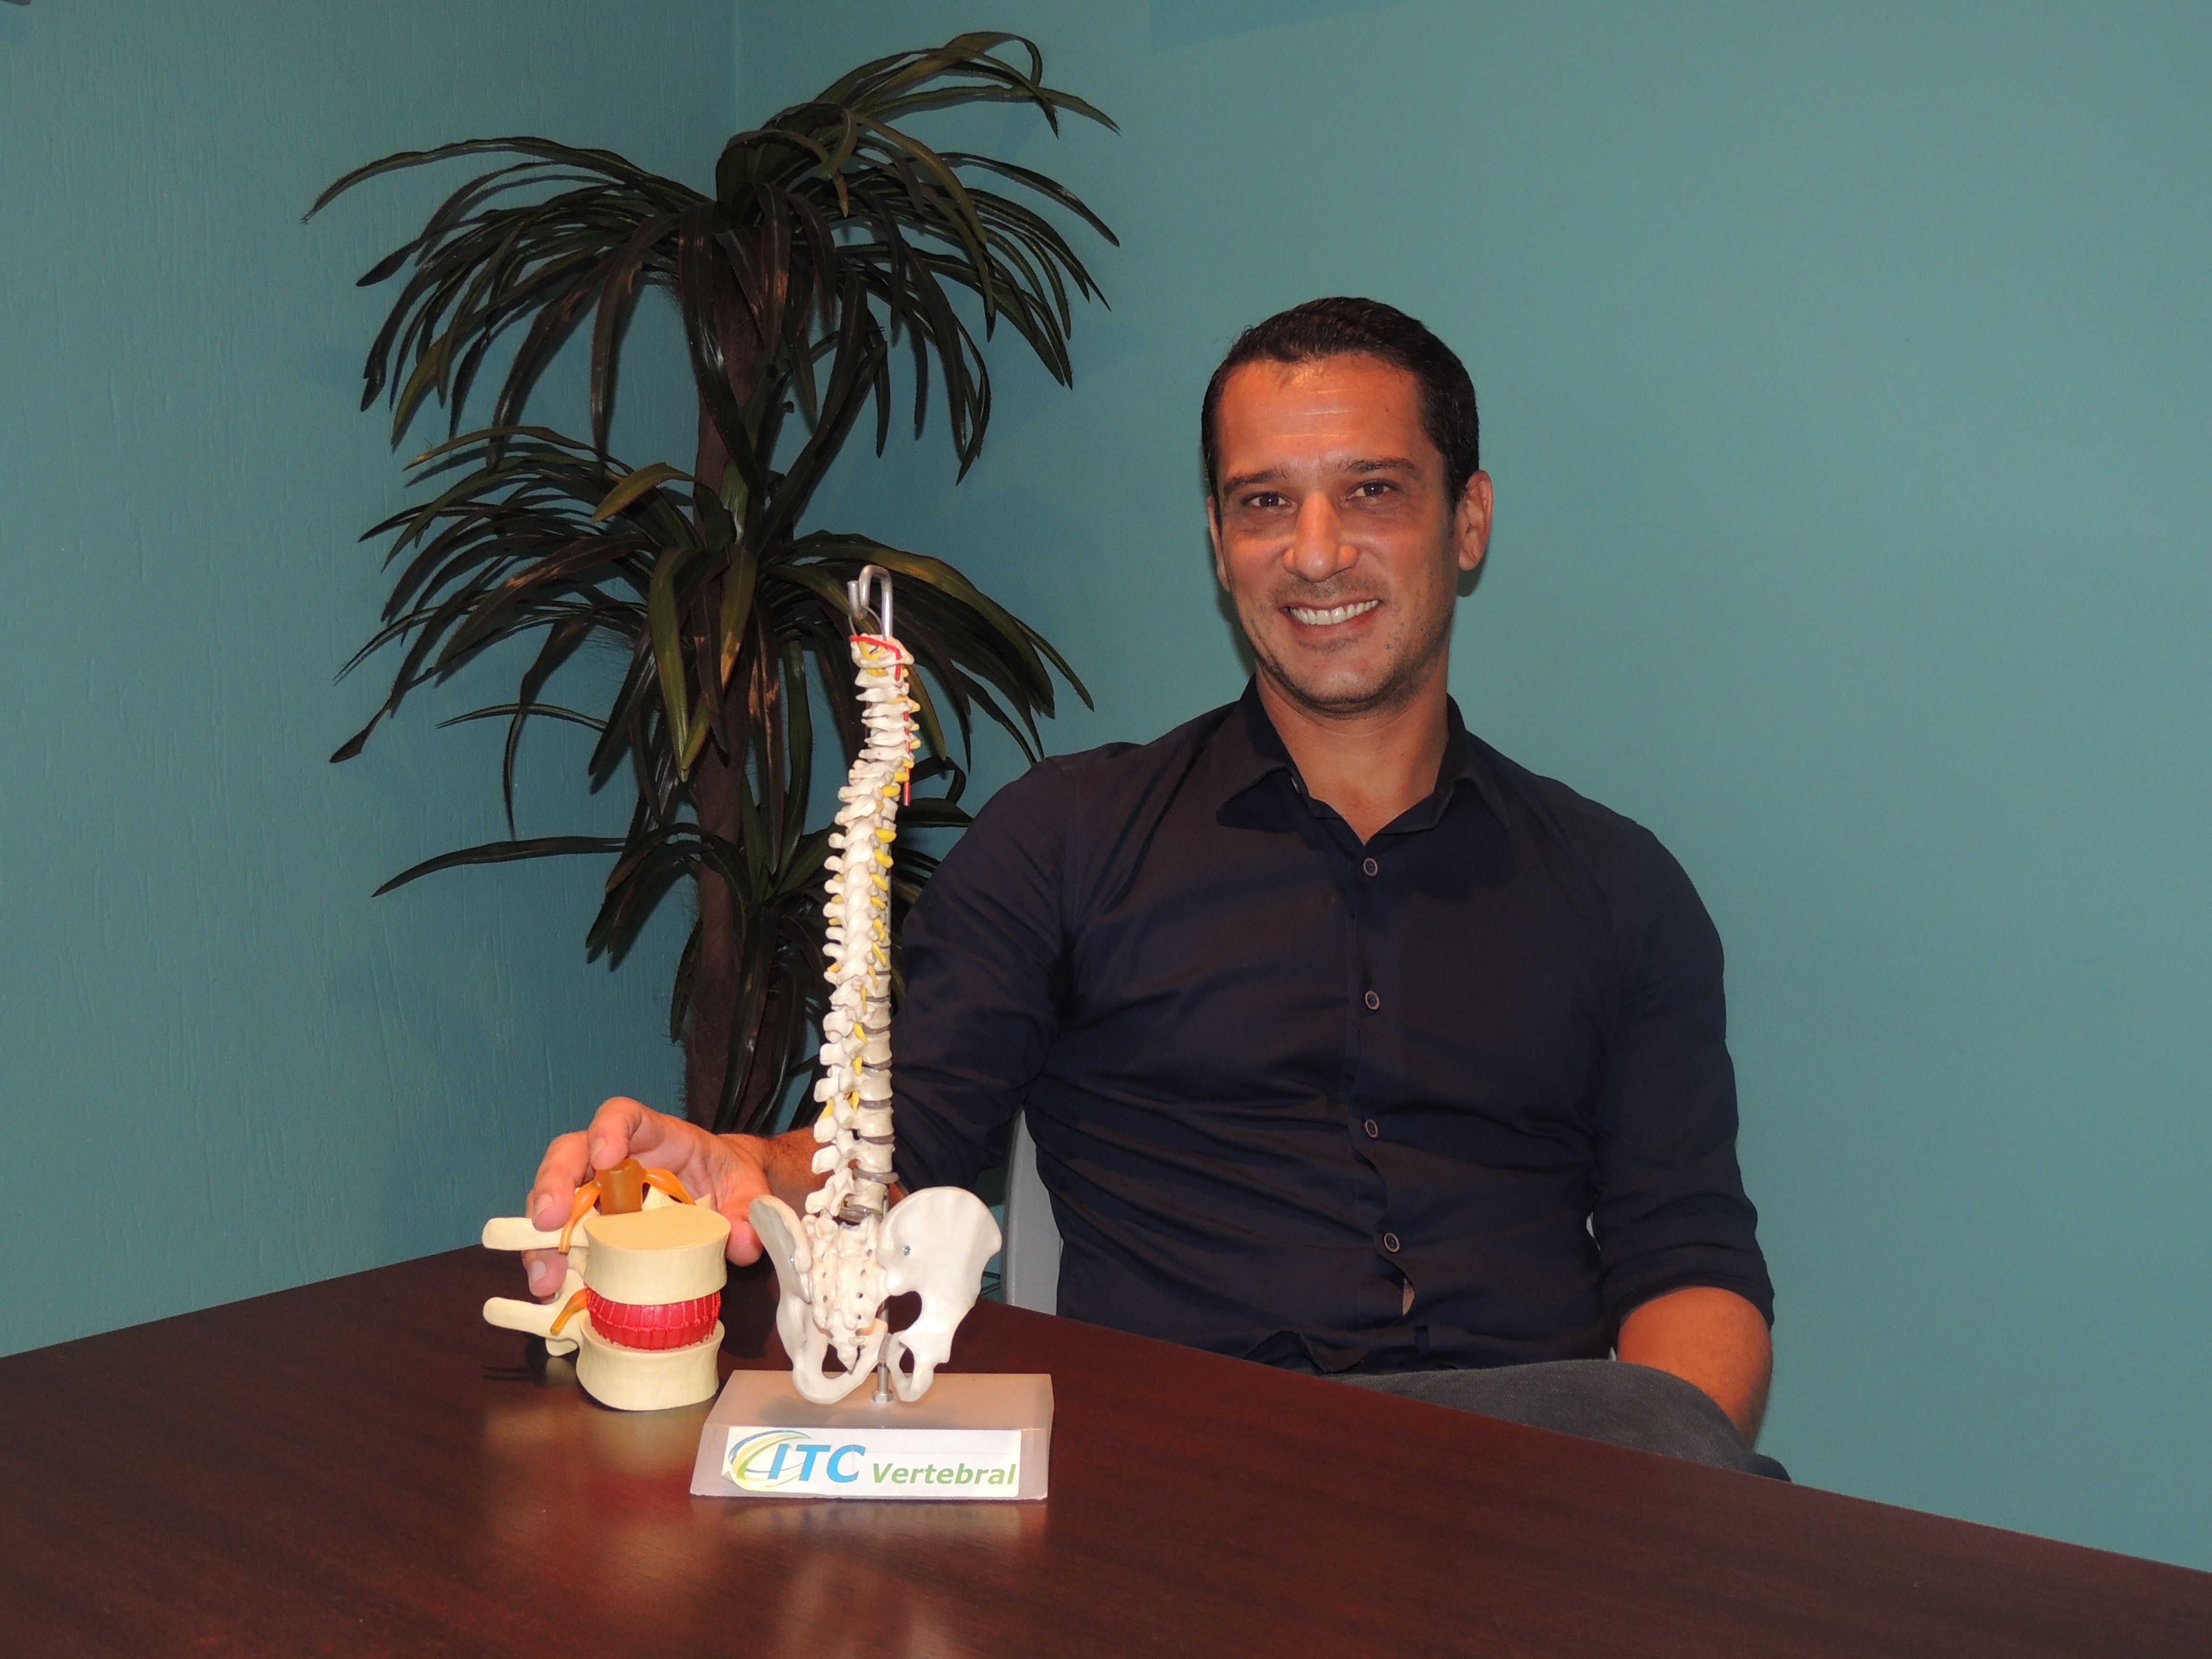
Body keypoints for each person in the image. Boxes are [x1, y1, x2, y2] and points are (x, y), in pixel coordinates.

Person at [524, 298, 1782, 1478]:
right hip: (1190, 1477)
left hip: (1530, 1482)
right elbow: (903, 1150)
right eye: (1264, 502)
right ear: (1221, 546)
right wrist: (738, 1162)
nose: (1316, 551)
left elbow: (1692, 1265)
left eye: (1373, 491)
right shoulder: (1068, 841)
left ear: (1468, 521)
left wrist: (1644, 1512)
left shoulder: (1619, 889)